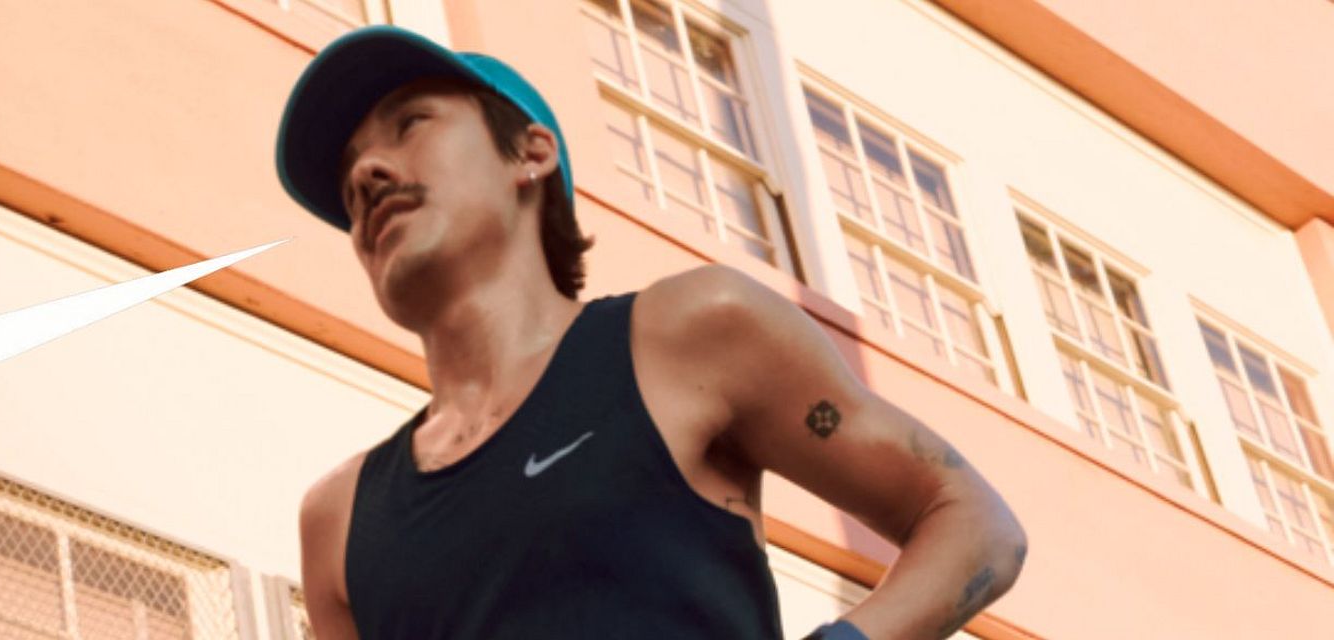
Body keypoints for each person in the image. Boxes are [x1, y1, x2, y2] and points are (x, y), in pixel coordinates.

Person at [277, 27, 1025, 639]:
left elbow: (974, 523)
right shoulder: (336, 522)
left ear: (531, 153)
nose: (367, 173)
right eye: (349, 174)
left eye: (410, 124)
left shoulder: (690, 334)